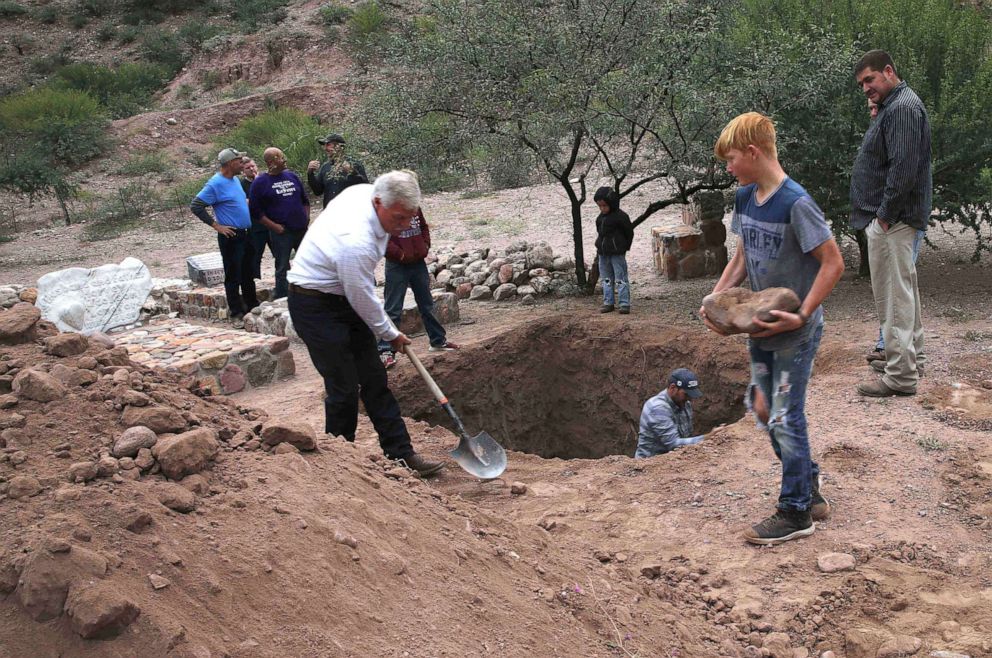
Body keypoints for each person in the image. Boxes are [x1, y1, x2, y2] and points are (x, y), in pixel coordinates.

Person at [701, 112, 844, 545]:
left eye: (730, 159)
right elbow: (743, 258)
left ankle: (796, 511)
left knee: (784, 413)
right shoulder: (746, 198)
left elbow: (833, 263)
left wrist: (801, 314)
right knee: (763, 409)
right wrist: (714, 300)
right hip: (759, 329)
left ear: (753, 152)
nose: (727, 168)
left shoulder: (796, 202)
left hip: (795, 334)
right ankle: (809, 486)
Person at [286, 170, 444, 476]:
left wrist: (386, 332)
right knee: (343, 387)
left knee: (375, 380)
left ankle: (401, 454)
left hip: (343, 294)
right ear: (377, 202)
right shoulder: (354, 241)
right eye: (398, 218)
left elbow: (357, 294)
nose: (404, 226)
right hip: (313, 303)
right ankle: (340, 465)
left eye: (410, 218)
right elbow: (362, 296)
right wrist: (391, 333)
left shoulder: (366, 194)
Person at [851, 50, 931, 395]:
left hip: (893, 221)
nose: (866, 88)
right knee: (903, 292)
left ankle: (900, 377)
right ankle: (909, 359)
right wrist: (877, 111)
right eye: (862, 85)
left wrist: (883, 217)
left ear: (888, 71)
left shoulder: (903, 109)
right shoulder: (894, 107)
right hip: (895, 220)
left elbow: (903, 169)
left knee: (894, 297)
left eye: (870, 80)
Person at [377, 206, 460, 370]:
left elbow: (423, 226)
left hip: (418, 263)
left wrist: (425, 245)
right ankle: (385, 351)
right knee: (393, 308)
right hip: (396, 266)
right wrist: (399, 254)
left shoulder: (415, 207)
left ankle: (438, 341)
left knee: (427, 304)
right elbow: (381, 237)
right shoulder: (386, 209)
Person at [190, 148, 258, 326]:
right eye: (239, 161)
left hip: (246, 233)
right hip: (232, 235)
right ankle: (236, 313)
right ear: (229, 164)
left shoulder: (235, 179)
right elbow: (196, 205)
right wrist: (217, 226)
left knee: (247, 273)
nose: (242, 164)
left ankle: (252, 306)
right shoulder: (215, 184)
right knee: (233, 275)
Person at [249, 147, 311, 300]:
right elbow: (256, 212)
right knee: (282, 266)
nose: (285, 160)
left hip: (301, 229)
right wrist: (274, 226)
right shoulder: (260, 183)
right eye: (281, 157)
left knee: (309, 262)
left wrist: (306, 218)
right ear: (272, 162)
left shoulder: (292, 176)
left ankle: (310, 292)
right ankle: (283, 297)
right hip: (282, 232)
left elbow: (305, 200)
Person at [634, 368, 705, 458]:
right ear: (673, 388)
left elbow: (687, 438)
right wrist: (706, 438)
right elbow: (673, 444)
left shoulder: (685, 404)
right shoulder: (657, 408)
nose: (690, 399)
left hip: (675, 462)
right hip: (648, 466)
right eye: (686, 394)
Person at [593, 187, 634, 314]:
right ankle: (608, 302)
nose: (602, 209)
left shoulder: (621, 217)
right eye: (600, 206)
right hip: (603, 253)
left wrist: (623, 248)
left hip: (617, 253)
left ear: (611, 203)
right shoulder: (600, 218)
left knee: (620, 277)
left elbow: (629, 233)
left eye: (604, 206)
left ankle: (624, 303)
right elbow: (600, 233)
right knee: (606, 278)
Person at [307, 133, 369, 208]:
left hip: (351, 213)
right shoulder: (325, 167)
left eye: (328, 145)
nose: (325, 148)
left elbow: (366, 188)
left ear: (339, 146)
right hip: (331, 214)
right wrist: (310, 173)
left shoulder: (354, 164)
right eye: (325, 145)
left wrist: (352, 172)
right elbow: (317, 191)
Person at [239, 157, 274, 281]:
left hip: (272, 224)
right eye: (247, 168)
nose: (251, 169)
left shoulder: (265, 179)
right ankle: (256, 282)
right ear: (243, 171)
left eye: (253, 166)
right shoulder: (241, 185)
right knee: (255, 257)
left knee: (280, 254)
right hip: (255, 226)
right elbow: (246, 204)